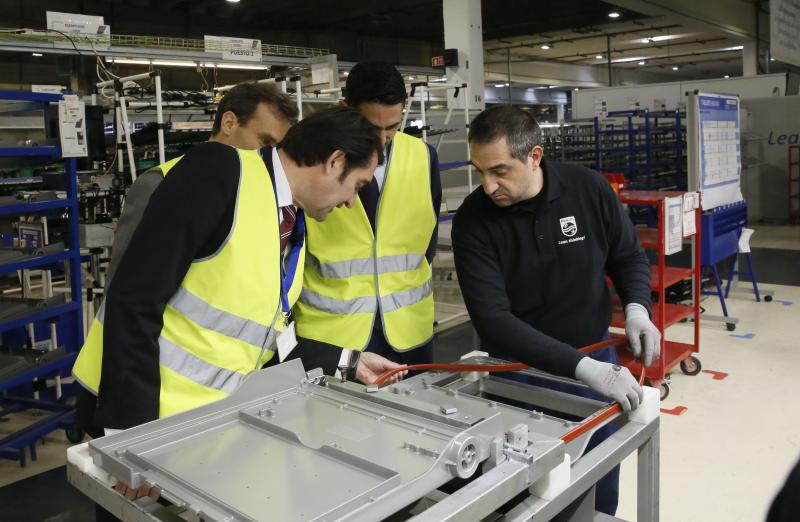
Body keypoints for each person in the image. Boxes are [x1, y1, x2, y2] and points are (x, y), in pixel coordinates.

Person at [451, 105, 661, 516]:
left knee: (598, 485)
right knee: (531, 499)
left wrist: (637, 308)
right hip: (518, 375)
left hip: (596, 365)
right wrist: (584, 369)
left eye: (500, 171)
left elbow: (628, 256)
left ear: (535, 156)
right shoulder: (474, 221)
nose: (488, 185)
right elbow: (493, 320)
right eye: (480, 171)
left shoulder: (588, 189)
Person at [287, 62, 442, 375]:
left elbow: (428, 243)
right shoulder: (315, 164)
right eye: (373, 128)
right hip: (331, 337)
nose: (383, 138)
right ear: (346, 109)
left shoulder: (424, 157)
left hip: (409, 333)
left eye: (393, 127)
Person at [104, 81, 298, 286]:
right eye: (265, 143)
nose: (271, 158)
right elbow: (124, 285)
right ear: (229, 123)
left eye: (277, 150)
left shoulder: (261, 192)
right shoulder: (159, 182)